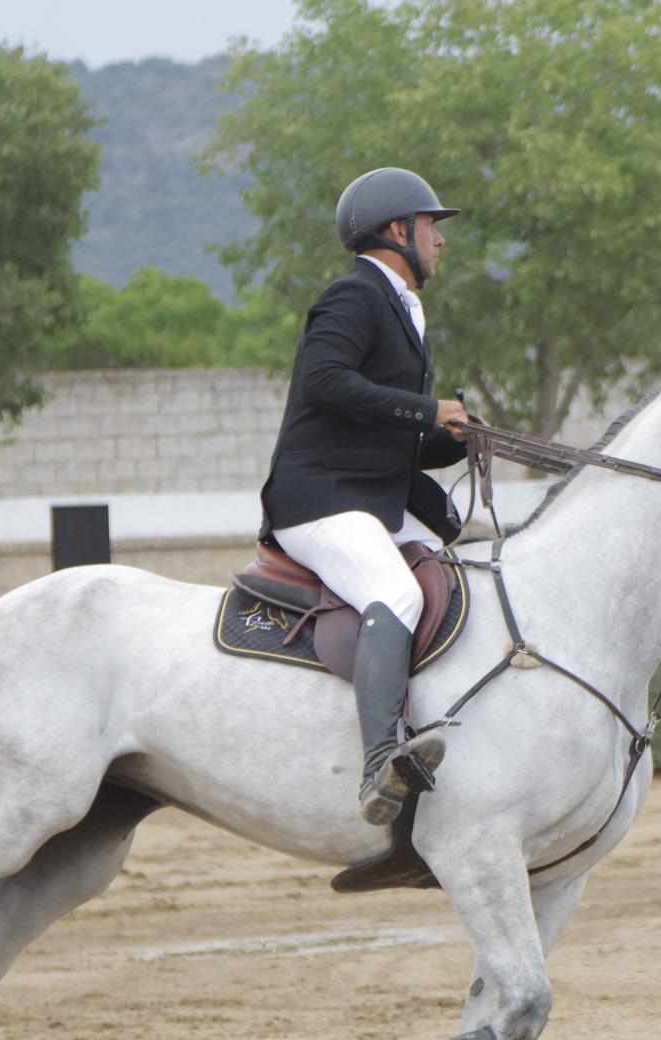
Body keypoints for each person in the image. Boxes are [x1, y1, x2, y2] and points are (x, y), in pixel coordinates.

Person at [258, 167, 471, 825]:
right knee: (398, 594)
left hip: (368, 492)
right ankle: (381, 761)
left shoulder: (402, 306)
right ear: (398, 230)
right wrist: (425, 409)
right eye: (433, 226)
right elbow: (324, 382)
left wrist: (454, 434)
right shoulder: (354, 296)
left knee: (459, 572)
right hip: (319, 498)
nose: (441, 241)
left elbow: (387, 428)